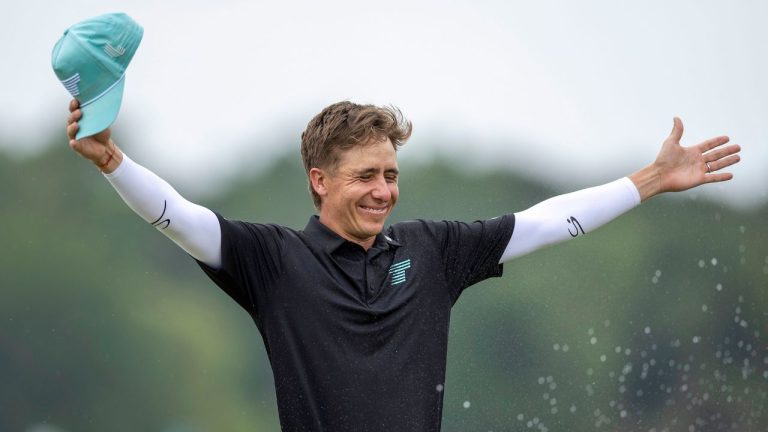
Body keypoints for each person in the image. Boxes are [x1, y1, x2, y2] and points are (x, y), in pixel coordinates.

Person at [65, 99, 741, 431]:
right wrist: (112, 161)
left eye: (390, 173)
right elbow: (178, 216)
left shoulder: (432, 251)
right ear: (320, 181)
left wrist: (648, 181)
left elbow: (544, 223)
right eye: (366, 175)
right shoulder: (274, 261)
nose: (384, 190)